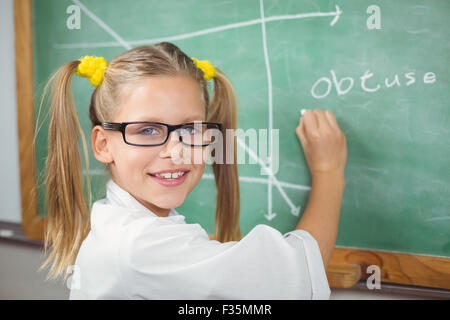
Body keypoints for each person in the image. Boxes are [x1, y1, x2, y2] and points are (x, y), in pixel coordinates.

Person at [38, 42, 347, 299]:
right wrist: (328, 172)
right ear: (104, 145)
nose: (177, 151)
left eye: (192, 129)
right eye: (147, 130)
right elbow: (295, 276)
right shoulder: (140, 246)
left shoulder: (124, 226)